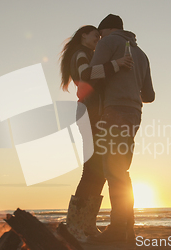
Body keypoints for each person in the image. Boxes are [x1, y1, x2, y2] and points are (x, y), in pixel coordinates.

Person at [59, 25, 133, 241]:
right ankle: (74, 226)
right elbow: (85, 75)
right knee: (91, 171)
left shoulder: (88, 54)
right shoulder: (80, 54)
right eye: (95, 36)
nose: (98, 39)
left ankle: (86, 225)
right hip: (88, 115)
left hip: (94, 116)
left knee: (98, 171)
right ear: (84, 35)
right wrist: (116, 64)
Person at [88, 14, 155, 244]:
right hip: (135, 113)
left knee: (113, 171)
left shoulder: (108, 43)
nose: (98, 41)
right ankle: (127, 230)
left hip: (113, 110)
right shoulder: (142, 54)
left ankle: (118, 229)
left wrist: (111, 73)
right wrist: (131, 83)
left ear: (106, 30)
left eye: (99, 35)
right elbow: (150, 96)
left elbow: (92, 75)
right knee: (122, 170)